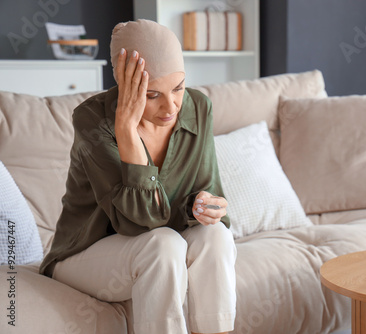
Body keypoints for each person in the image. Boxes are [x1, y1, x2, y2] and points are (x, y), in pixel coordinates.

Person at [39, 19, 237, 334]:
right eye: (153, 94)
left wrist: (203, 204)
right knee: (163, 244)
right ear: (124, 85)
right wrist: (126, 131)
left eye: (178, 87)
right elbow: (137, 223)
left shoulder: (199, 108)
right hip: (85, 253)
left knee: (216, 237)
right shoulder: (92, 120)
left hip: (159, 247)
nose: (171, 106)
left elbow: (207, 189)